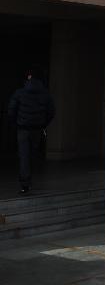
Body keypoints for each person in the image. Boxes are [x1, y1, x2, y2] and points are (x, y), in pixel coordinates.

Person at [8, 66, 55, 194]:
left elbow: (11, 111)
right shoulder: (45, 94)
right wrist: (43, 124)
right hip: (37, 130)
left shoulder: (19, 93)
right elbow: (51, 112)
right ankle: (30, 180)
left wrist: (16, 124)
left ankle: (25, 185)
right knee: (32, 155)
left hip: (23, 129)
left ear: (28, 78)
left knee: (24, 156)